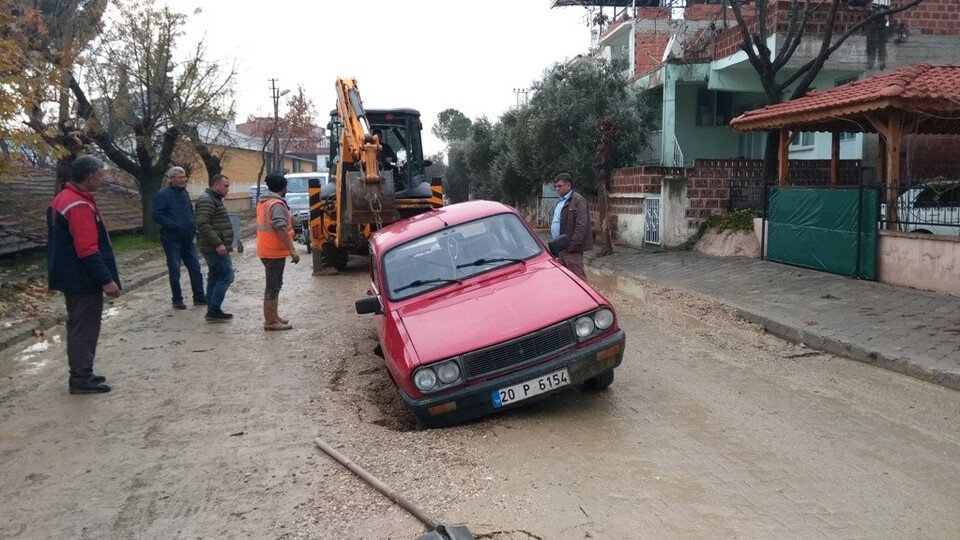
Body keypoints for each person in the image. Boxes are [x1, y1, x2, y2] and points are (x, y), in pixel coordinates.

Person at [47, 155, 122, 394]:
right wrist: (106, 279)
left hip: (72, 275)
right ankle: (81, 378)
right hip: (82, 278)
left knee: (80, 325)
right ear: (91, 178)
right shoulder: (77, 205)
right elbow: (87, 249)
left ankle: (83, 373)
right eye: (101, 175)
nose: (103, 178)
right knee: (85, 328)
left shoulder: (65, 198)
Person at [151, 166, 206, 310]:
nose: (183, 180)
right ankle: (177, 299)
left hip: (188, 238)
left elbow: (189, 211)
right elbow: (156, 215)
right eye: (180, 177)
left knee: (195, 267)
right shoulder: (163, 194)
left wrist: (193, 224)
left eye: (184, 177)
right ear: (171, 179)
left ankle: (199, 296)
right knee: (175, 270)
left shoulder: (184, 193)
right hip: (172, 239)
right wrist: (173, 225)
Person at [257, 173, 300, 331]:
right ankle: (270, 320)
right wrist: (292, 249)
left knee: (275, 284)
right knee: (273, 286)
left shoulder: (265, 201)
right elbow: (280, 228)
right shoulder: (276, 204)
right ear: (283, 188)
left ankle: (273, 316)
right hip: (273, 251)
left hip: (267, 249)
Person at [195, 174, 235, 323]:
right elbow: (203, 224)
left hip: (212, 246)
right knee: (227, 275)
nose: (228, 189)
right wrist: (218, 243)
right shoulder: (208, 200)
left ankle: (212, 309)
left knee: (215, 276)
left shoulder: (213, 199)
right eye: (225, 186)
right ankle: (213, 309)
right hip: (214, 247)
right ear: (216, 185)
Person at [551, 172, 593, 281]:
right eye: (555, 186)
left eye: (559, 186)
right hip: (560, 248)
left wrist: (573, 246)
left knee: (579, 280)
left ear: (568, 185)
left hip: (571, 250)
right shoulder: (560, 201)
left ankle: (585, 298)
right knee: (566, 280)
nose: (557, 189)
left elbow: (581, 225)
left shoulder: (578, 200)